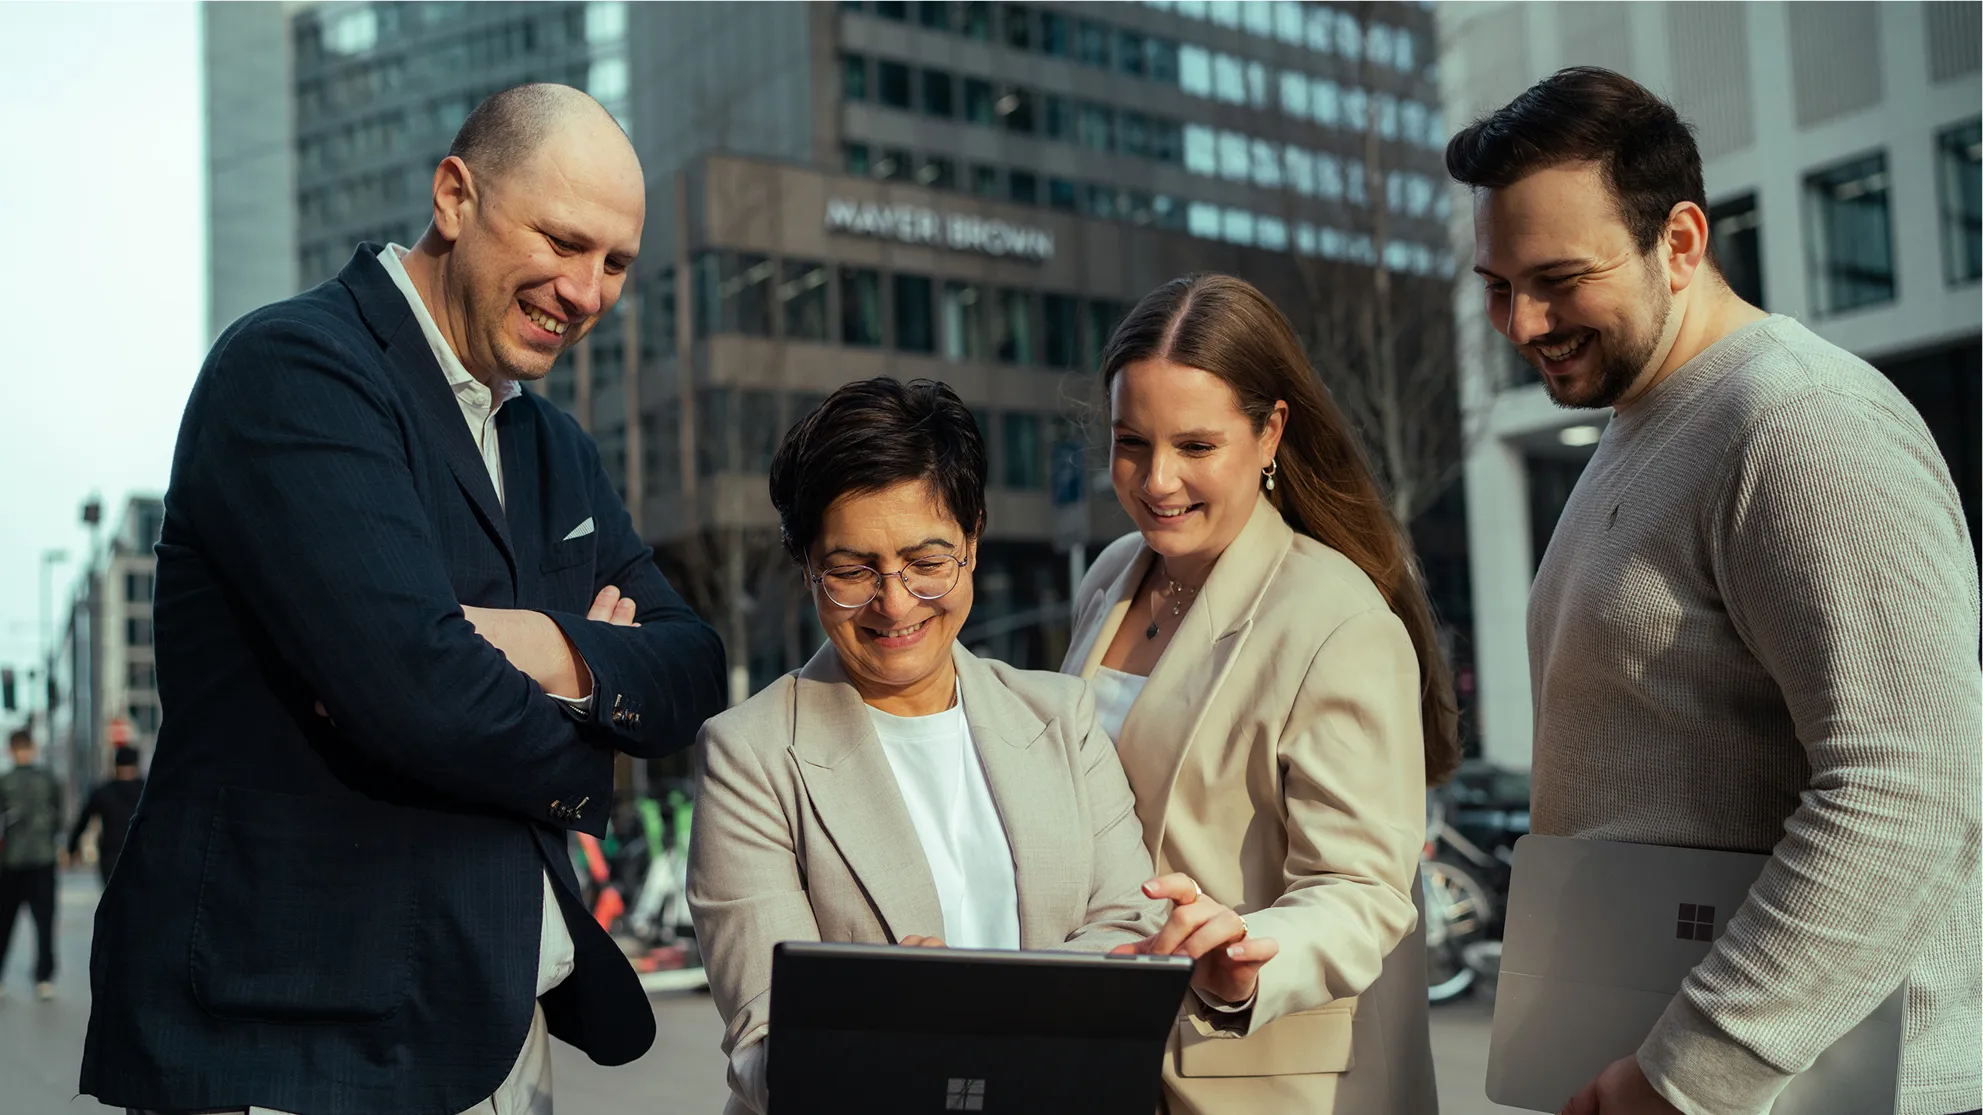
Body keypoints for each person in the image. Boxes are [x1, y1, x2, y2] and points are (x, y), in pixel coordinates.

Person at [81, 84, 728, 1115]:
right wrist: (595, 716)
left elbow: (693, 664)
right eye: (563, 241)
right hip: (298, 1044)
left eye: (615, 262)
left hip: (500, 1031)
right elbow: (418, 693)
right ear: (455, 196)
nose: (586, 290)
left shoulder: (554, 447)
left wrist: (539, 648)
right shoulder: (294, 369)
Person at [1448, 67, 1981, 1115]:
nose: (1522, 321)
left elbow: (1909, 786)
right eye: (1497, 286)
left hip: (1812, 1089)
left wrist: (1692, 1072)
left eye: (1557, 278)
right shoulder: (1643, 425)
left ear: (1682, 241)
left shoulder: (1800, 420)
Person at [688, 378, 1268, 1115]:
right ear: (807, 566)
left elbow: (1130, 929)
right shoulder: (749, 755)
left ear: (972, 539)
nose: (895, 602)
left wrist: (952, 1007)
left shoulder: (1060, 716)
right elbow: (766, 1037)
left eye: (927, 562)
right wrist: (891, 1023)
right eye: (852, 570)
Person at [1063, 273, 1459, 1114]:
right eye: (1131, 442)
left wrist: (1247, 952)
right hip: (1110, 1057)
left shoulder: (1336, 617)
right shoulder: (1107, 578)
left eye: (1194, 445)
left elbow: (1363, 888)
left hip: (1270, 1081)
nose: (1156, 479)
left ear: (1270, 430)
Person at [0, 729, 64, 1001]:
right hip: (40, 860)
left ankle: (32, 976)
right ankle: (44, 977)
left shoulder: (6, 781)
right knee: (43, 922)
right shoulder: (48, 779)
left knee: (6, 922)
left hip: (13, 862)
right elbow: (59, 817)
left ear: (10, 750)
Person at [68, 745, 146, 885]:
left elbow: (83, 820)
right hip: (142, 854)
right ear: (136, 765)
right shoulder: (147, 793)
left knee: (114, 897)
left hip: (111, 856)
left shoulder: (103, 792)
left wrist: (72, 848)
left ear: (116, 765)